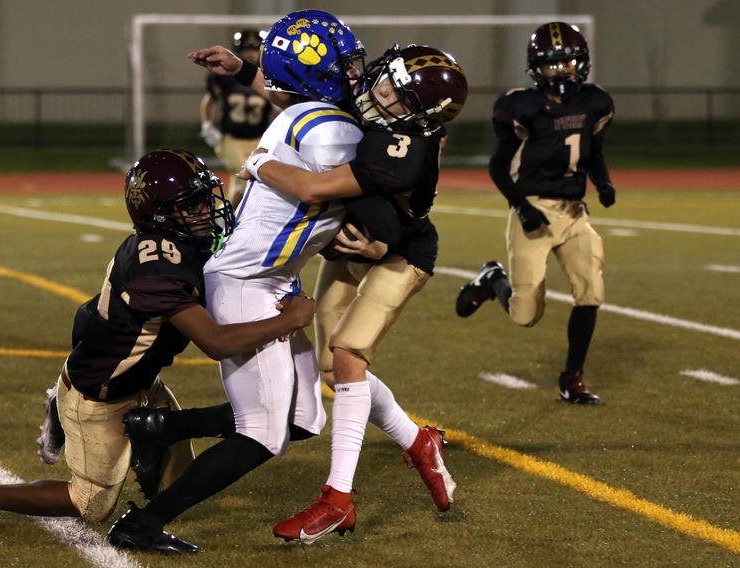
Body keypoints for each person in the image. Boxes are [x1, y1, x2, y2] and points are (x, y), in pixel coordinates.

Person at [0, 149, 316, 553]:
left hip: (138, 379)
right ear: (161, 214)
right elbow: (215, 342)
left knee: (175, 482)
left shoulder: (172, 244)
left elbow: (87, 315)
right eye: (192, 205)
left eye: (205, 198)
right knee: (91, 502)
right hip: (100, 396)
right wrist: (289, 320)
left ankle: (115, 429)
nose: (207, 210)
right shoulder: (158, 266)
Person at [105, 10, 366, 553]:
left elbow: (288, 105)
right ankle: (142, 523)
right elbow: (352, 181)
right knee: (261, 435)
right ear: (316, 71)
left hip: (267, 278)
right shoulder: (331, 124)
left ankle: (161, 429)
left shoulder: (307, 112)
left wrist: (242, 72)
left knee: (302, 417)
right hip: (251, 280)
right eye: (344, 61)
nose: (354, 71)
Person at [241, 44, 469, 542]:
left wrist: (259, 165)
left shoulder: (404, 148)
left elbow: (313, 189)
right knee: (332, 367)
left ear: (419, 115)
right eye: (385, 79)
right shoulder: (374, 103)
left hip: (400, 251)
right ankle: (419, 441)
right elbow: (306, 90)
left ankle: (337, 499)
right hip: (357, 245)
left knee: (347, 355)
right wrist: (242, 68)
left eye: (396, 94)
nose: (379, 92)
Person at [454, 22, 616, 405]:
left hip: (574, 212)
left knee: (591, 292)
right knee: (525, 314)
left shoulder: (595, 102)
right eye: (552, 64)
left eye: (567, 62)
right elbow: (497, 167)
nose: (561, 71)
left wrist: (603, 182)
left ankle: (572, 376)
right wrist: (522, 207)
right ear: (535, 68)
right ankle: (493, 278)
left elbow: (594, 153)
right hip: (535, 209)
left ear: (582, 63)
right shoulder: (521, 106)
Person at [200, 29, 275, 208]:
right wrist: (207, 126)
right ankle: (225, 223)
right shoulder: (227, 75)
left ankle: (226, 220)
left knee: (248, 184)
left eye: (254, 49)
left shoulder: (268, 75)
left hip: (258, 140)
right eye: (246, 49)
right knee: (245, 180)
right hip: (231, 139)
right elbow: (209, 100)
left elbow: (277, 107)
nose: (250, 53)